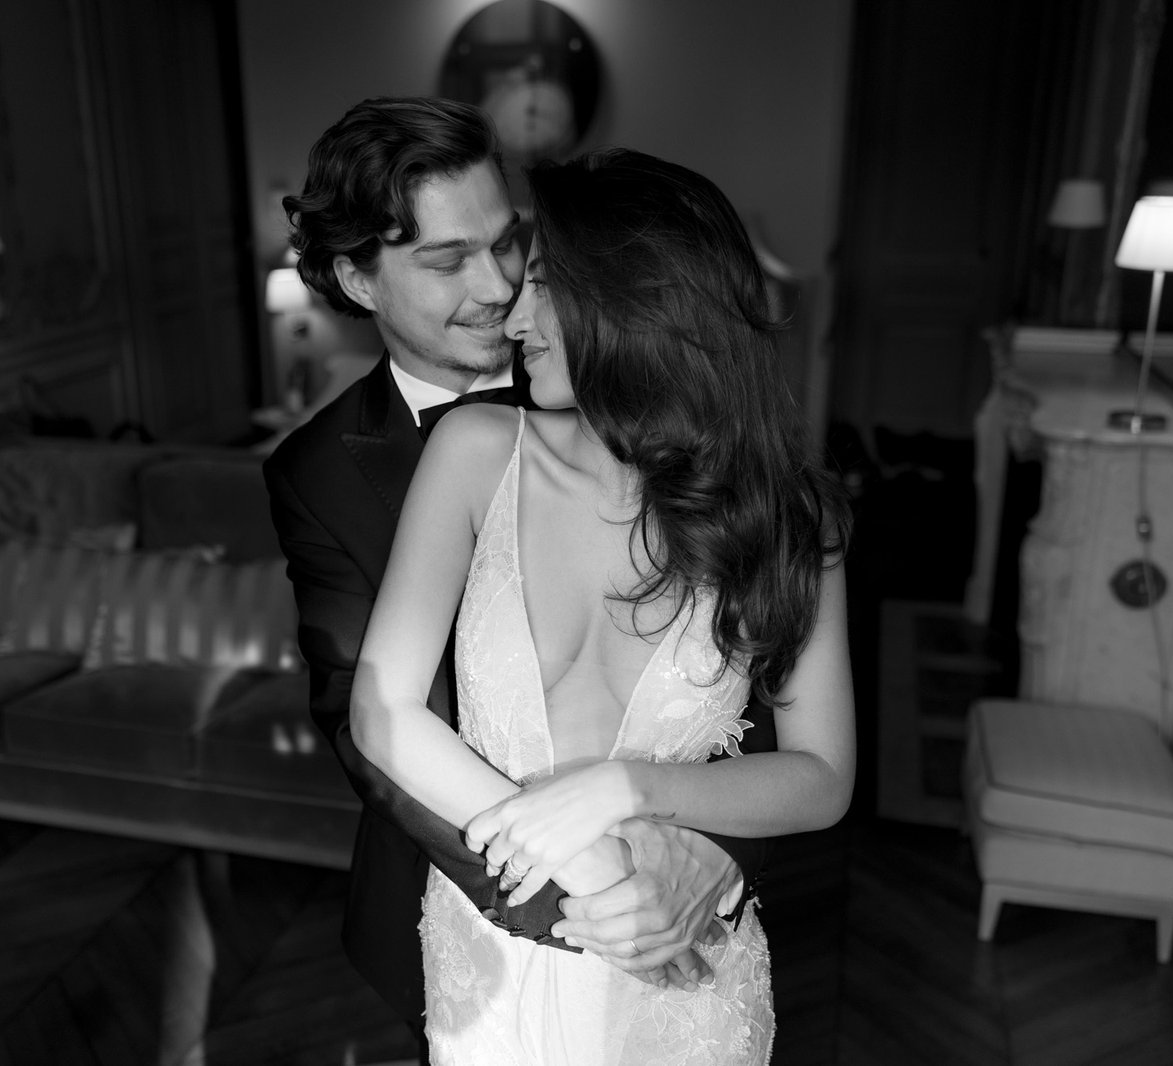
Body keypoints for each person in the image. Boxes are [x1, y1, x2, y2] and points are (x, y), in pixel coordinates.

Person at [262, 99, 771, 1052]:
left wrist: (706, 860)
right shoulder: (317, 473)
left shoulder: (639, 391)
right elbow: (364, 721)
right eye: (448, 261)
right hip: (473, 913)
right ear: (357, 281)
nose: (500, 288)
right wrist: (595, 894)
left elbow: (748, 683)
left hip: (680, 891)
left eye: (509, 246)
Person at [349, 147, 855, 1063]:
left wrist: (628, 791)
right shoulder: (474, 451)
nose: (515, 316)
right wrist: (590, 862)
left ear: (638, 304)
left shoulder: (788, 515)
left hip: (681, 972)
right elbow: (382, 711)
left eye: (544, 285)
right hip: (496, 961)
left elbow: (823, 774)